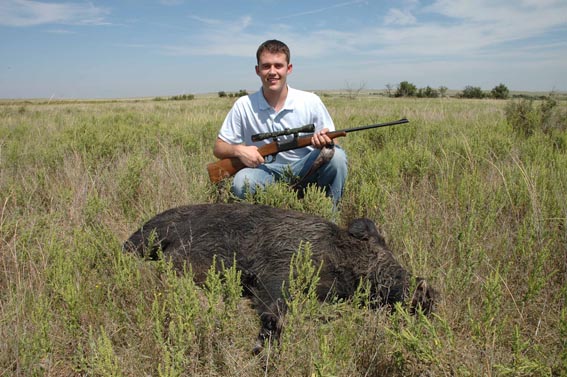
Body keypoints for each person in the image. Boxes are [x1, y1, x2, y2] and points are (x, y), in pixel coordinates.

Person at [213, 39, 348, 207]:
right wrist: (239, 150)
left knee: (337, 157)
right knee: (242, 181)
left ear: (288, 69)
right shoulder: (244, 104)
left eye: (278, 66)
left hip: (307, 169)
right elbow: (219, 147)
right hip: (265, 171)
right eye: (266, 66)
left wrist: (323, 142)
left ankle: (328, 219)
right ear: (257, 70)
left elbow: (334, 142)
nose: (272, 72)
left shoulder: (311, 101)